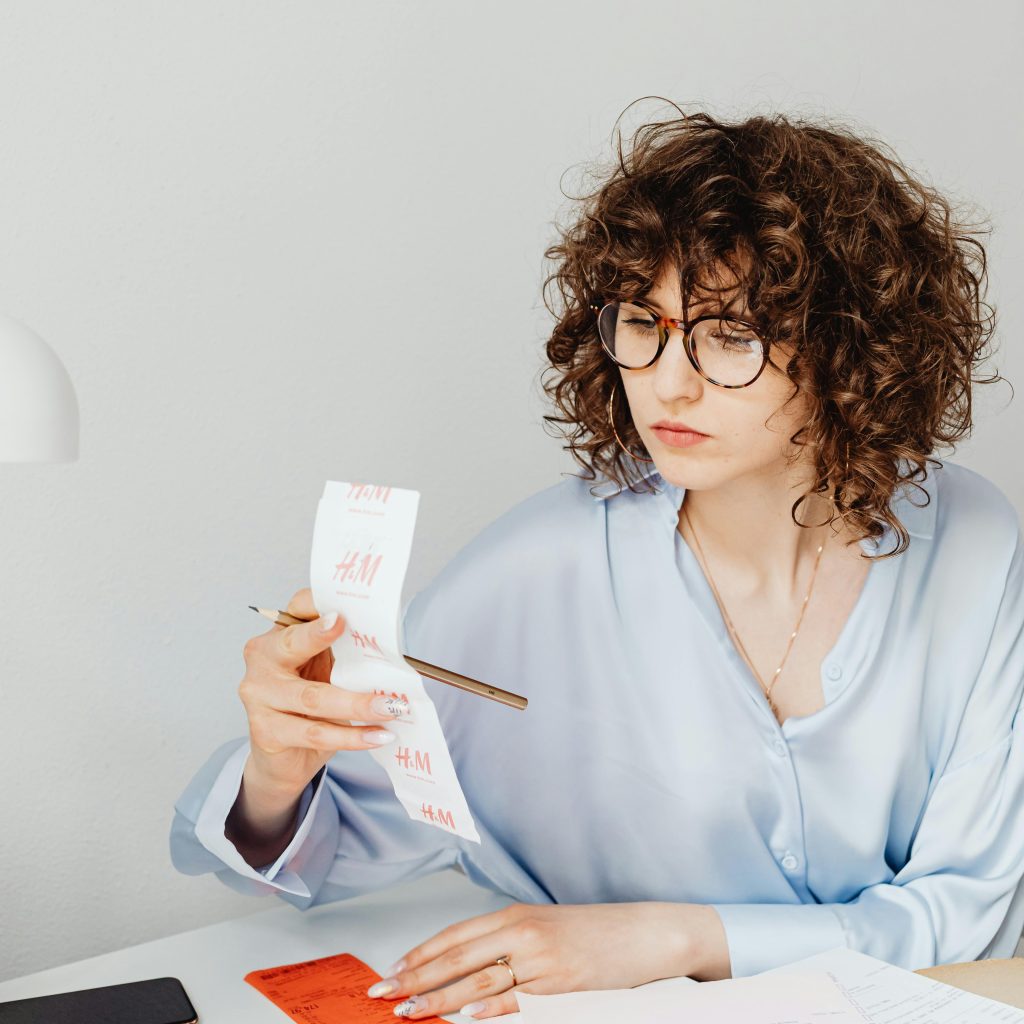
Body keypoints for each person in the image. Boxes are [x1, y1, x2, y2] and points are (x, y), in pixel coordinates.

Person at [170, 103, 1024, 1021]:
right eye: (643, 324)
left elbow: (969, 918)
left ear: (852, 348)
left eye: (730, 335)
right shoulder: (537, 571)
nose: (669, 380)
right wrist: (278, 767)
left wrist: (668, 937)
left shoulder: (971, 540)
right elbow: (322, 851)